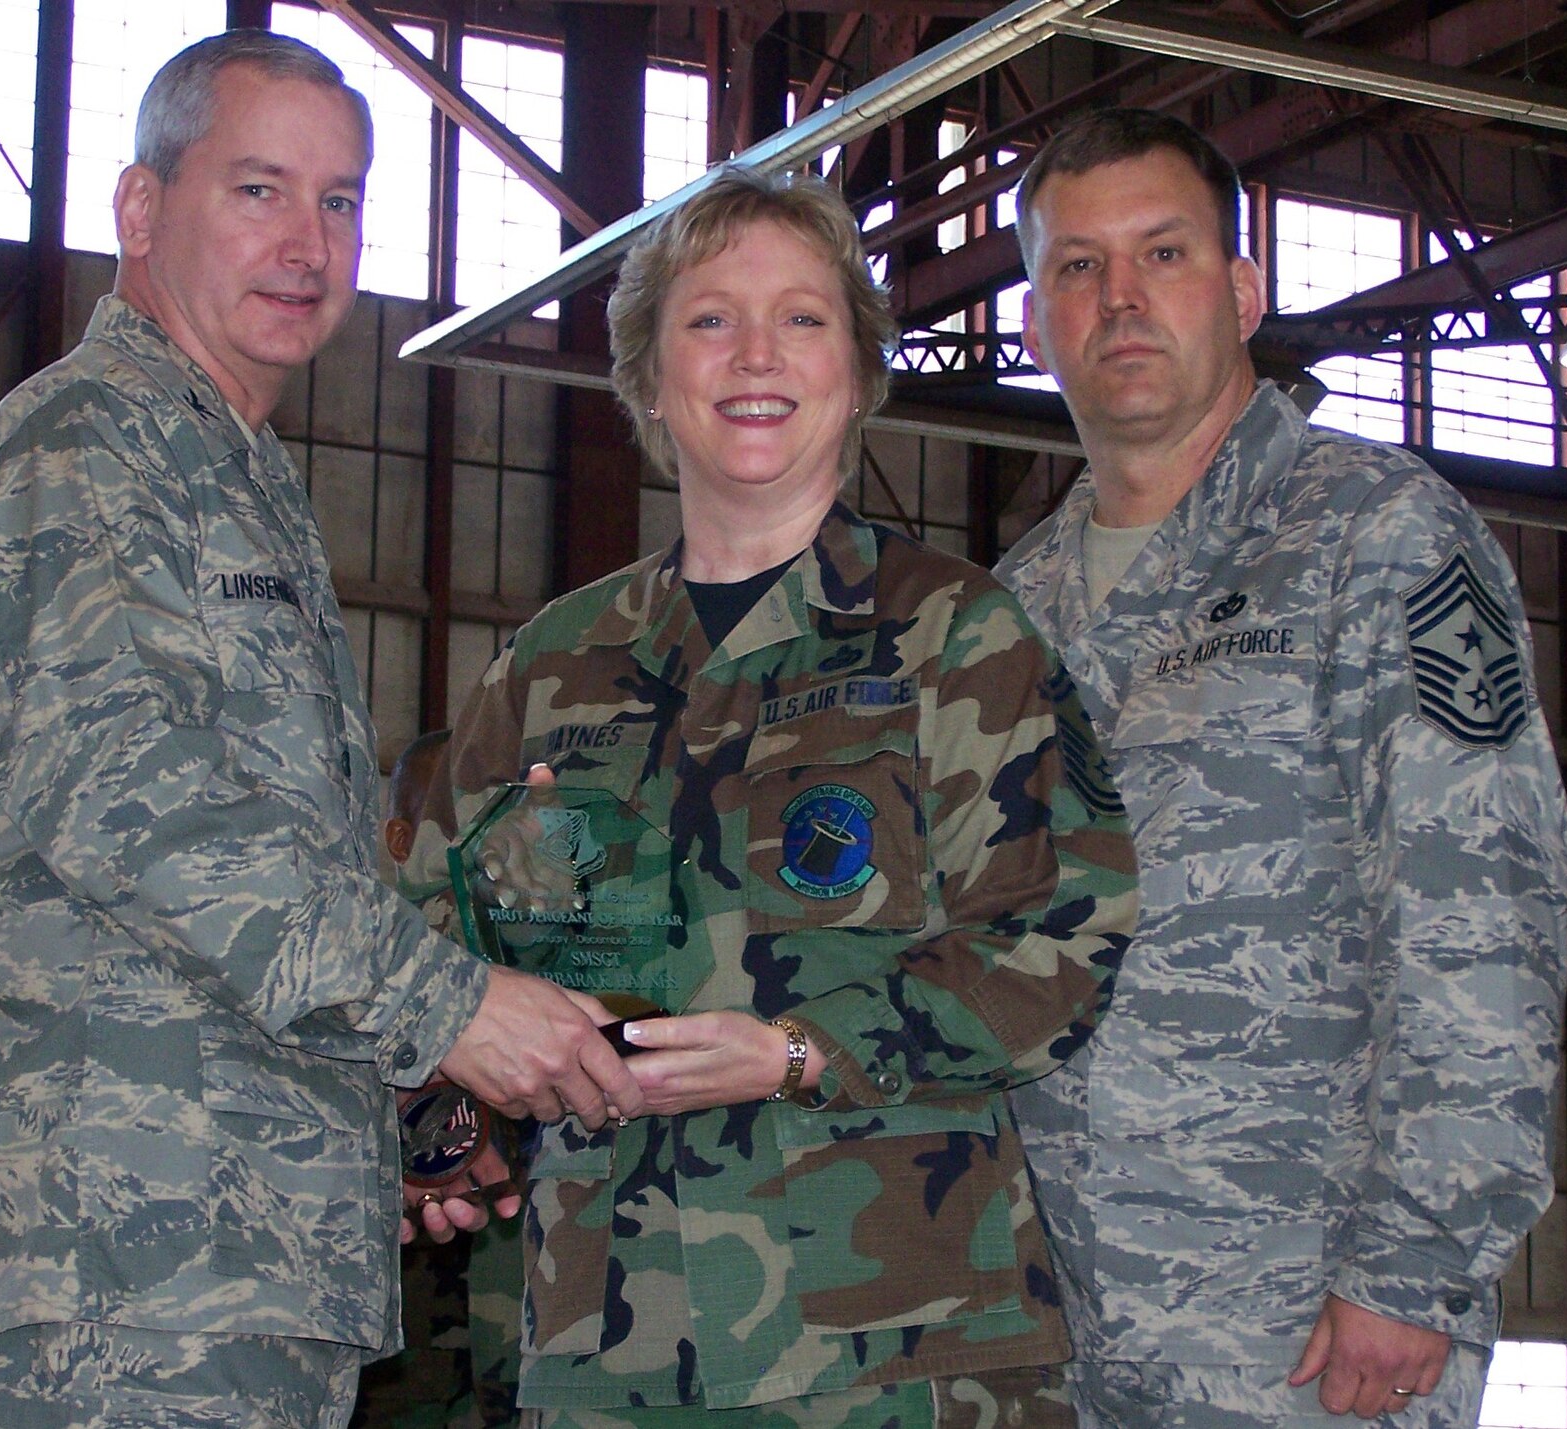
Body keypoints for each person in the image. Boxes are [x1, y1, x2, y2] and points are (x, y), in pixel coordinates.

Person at [0, 30, 641, 1429]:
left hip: (231, 1242)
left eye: (342, 200)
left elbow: (268, 885)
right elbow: (136, 802)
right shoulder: (85, 447)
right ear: (139, 208)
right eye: (259, 190)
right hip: (117, 1253)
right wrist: (451, 1006)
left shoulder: (230, 473)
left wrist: (380, 1111)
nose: (309, 241)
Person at [402, 167, 1138, 1426]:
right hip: (606, 1355)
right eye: (708, 319)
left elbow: (1058, 938)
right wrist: (453, 1113)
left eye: (801, 317)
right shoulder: (547, 668)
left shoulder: (953, 637)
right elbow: (436, 952)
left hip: (898, 1358)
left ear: (855, 372)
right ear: (647, 372)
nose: (755, 354)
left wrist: (801, 1049)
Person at [998, 107, 1567, 1429]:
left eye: (1165, 254)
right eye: (1077, 267)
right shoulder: (1006, 610)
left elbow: (1480, 910)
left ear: (1244, 290)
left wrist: (1416, 1260)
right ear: (1036, 322)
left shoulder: (1381, 536)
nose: (1121, 299)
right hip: (1055, 1324)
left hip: (1305, 1322)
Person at [359, 729, 522, 1429]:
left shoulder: (525, 950)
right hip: (402, 1337)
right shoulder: (366, 965)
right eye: (452, 824)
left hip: (503, 1320)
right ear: (402, 839)